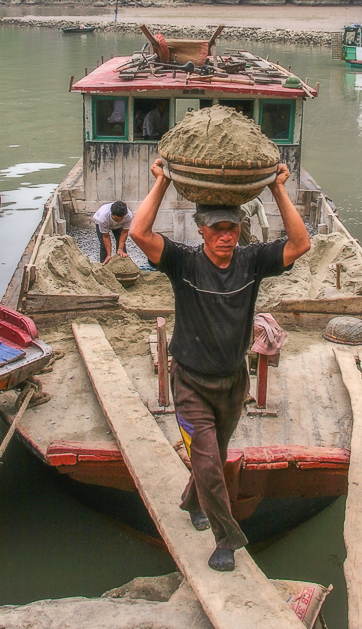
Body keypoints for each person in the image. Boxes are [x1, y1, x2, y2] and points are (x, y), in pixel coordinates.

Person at [130, 161, 310, 572]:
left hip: (233, 383)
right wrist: (161, 181)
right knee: (209, 461)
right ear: (201, 230)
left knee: (216, 454)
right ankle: (227, 539)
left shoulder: (252, 262)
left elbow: (300, 244)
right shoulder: (184, 263)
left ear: (240, 229)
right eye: (217, 229)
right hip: (190, 384)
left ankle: (193, 501)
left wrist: (278, 189)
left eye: (232, 228)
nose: (225, 236)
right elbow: (139, 233)